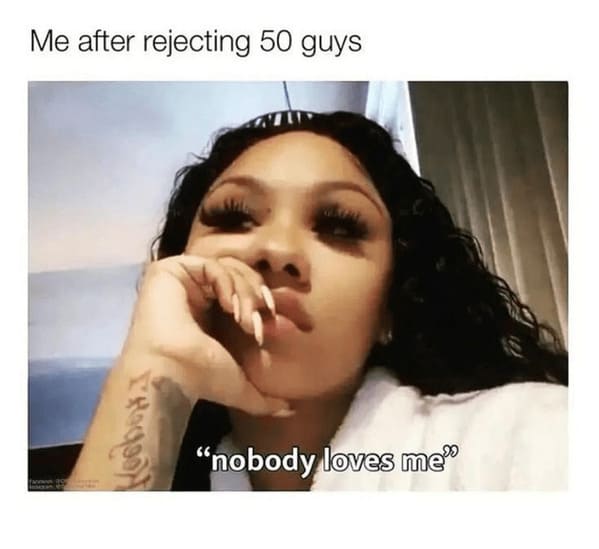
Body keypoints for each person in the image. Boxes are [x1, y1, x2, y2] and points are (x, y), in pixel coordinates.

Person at [66, 110, 568, 491]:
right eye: (235, 216)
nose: (277, 250)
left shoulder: (534, 436)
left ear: (391, 307)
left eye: (338, 225)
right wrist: (154, 371)